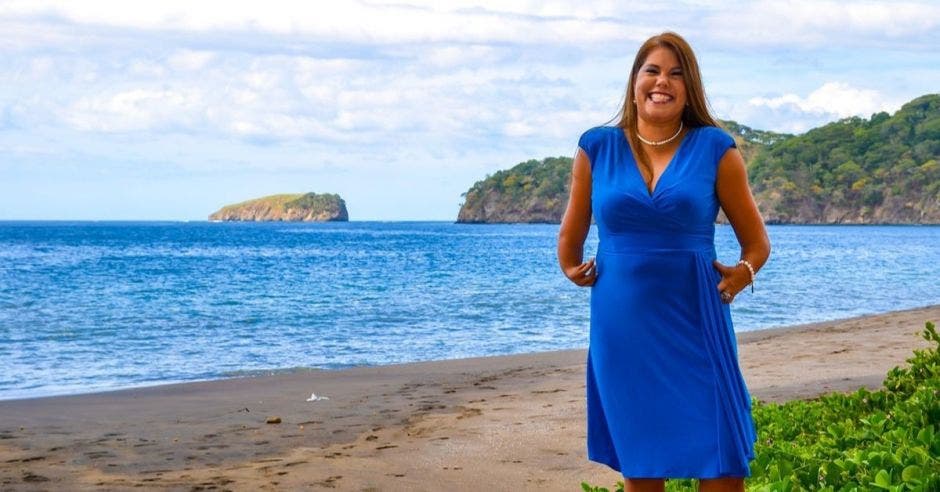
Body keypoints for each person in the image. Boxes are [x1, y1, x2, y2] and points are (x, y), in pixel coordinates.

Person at [557, 32, 771, 492]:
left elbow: (757, 243)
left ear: (690, 87)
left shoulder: (716, 149)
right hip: (623, 325)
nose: (662, 82)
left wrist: (742, 274)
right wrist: (572, 267)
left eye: (676, 74)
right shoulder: (596, 147)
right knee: (643, 459)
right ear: (634, 80)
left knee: (721, 456)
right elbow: (570, 234)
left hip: (695, 314)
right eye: (652, 70)